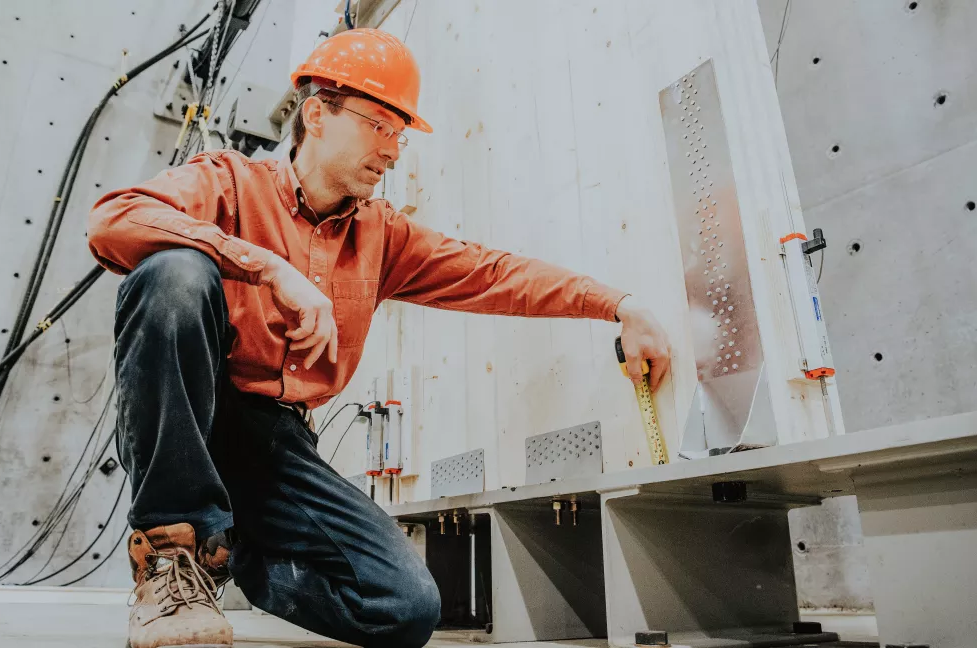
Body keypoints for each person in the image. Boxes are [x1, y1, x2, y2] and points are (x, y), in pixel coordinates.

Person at [87, 27, 671, 648]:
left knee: (404, 610)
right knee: (173, 270)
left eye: (400, 135)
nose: (393, 151)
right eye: (379, 127)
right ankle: (170, 556)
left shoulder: (382, 237)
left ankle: (233, 555)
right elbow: (114, 219)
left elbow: (494, 273)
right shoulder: (229, 182)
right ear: (317, 114)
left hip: (275, 439)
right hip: (190, 413)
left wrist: (618, 304)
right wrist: (264, 266)